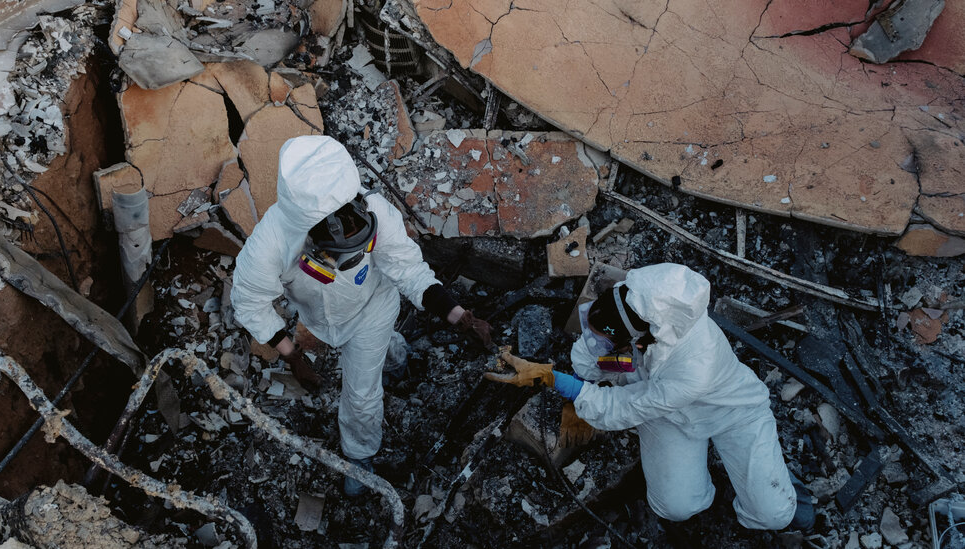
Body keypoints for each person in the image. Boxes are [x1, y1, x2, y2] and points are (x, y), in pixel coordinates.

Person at [231, 135, 491, 496]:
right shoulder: (269, 246)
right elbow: (249, 302)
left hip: (374, 307)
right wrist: (292, 357)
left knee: (361, 394)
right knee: (380, 353)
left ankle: (359, 454)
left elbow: (409, 271)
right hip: (323, 319)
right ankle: (396, 355)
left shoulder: (375, 210)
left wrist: (460, 316)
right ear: (314, 247)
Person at [485, 263, 813, 531]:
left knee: (774, 514)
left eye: (607, 340)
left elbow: (624, 407)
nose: (594, 341)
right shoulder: (635, 300)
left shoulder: (697, 364)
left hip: (730, 411)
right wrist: (577, 400)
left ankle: (770, 484)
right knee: (676, 507)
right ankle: (712, 483)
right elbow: (589, 355)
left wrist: (550, 377)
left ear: (638, 341)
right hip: (666, 413)